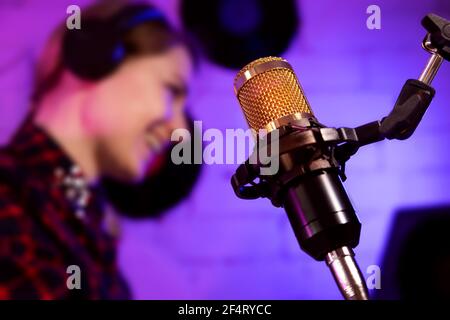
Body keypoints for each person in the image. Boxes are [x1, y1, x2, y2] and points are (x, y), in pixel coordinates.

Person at [0, 0, 195, 299]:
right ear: (91, 58)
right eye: (171, 89)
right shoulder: (9, 197)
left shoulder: (81, 219)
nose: (180, 130)